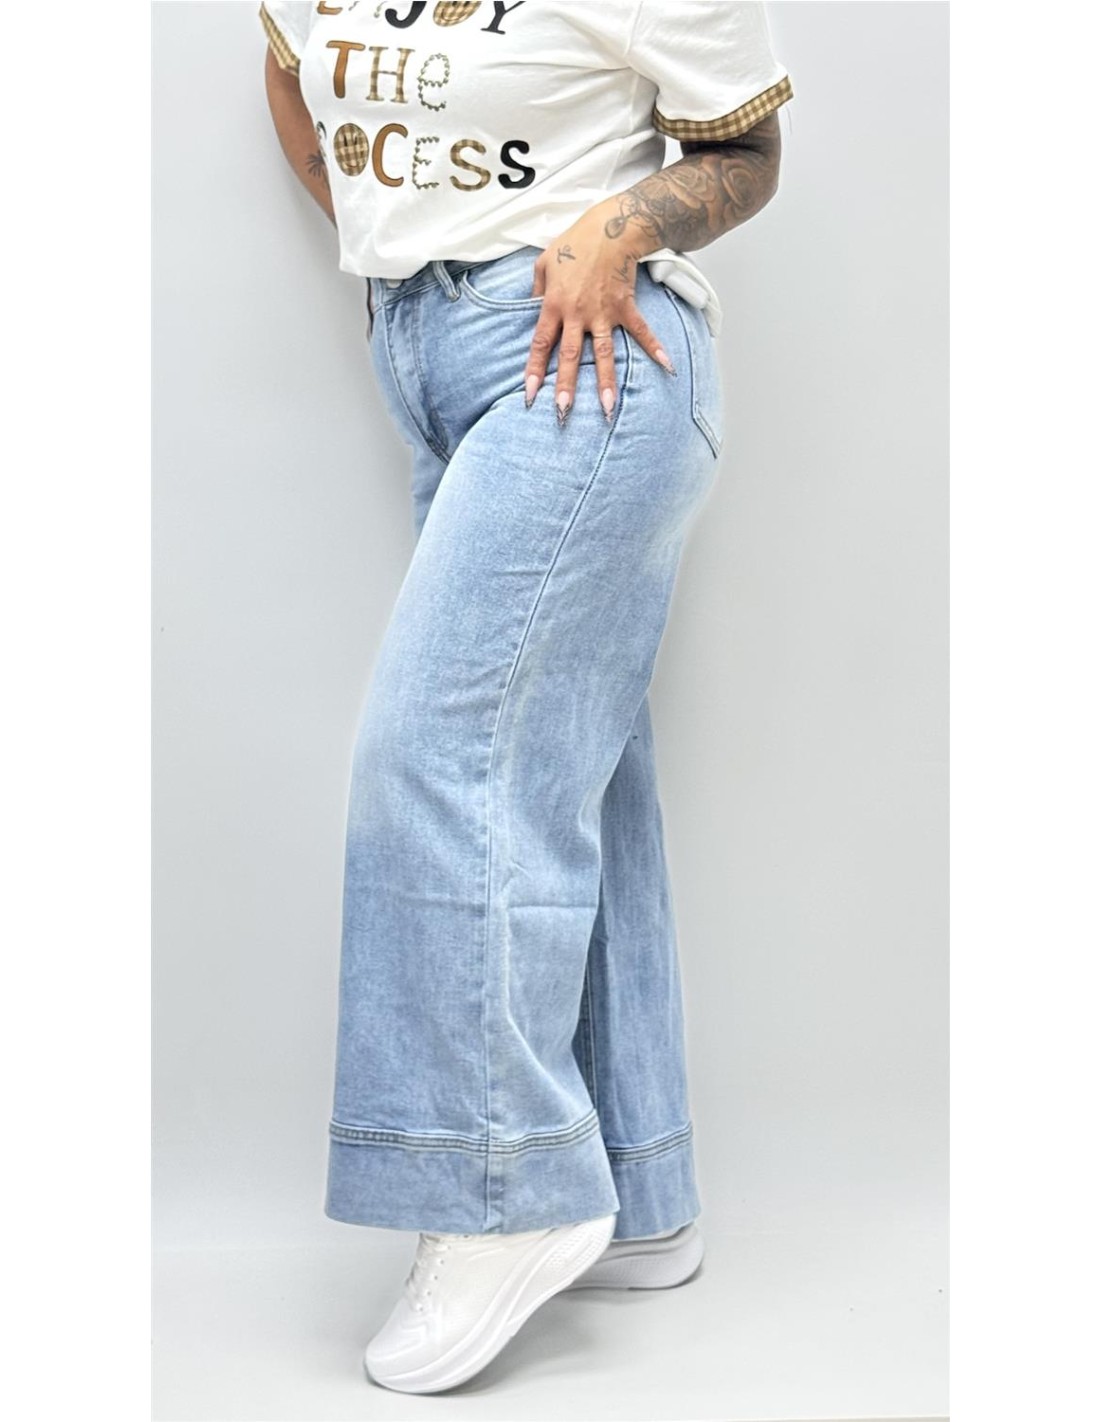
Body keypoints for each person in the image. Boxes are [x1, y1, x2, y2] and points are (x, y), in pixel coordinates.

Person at [259, 0, 792, 1394]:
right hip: (433, 368)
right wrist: (389, 246)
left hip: (589, 357)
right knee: (566, 771)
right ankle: (634, 1187)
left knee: (441, 758)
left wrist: (612, 228)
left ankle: (504, 1193)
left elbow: (746, 150)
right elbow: (289, 69)